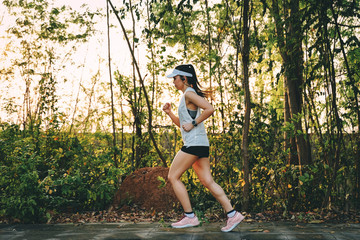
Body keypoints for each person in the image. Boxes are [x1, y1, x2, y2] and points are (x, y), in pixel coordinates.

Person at [162, 64, 245, 232]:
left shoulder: (190, 93)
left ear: (184, 79)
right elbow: (182, 124)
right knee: (208, 181)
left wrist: (193, 123)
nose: (173, 82)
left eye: (175, 78)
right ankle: (232, 214)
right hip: (200, 144)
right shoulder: (186, 96)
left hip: (193, 144)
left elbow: (210, 109)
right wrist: (170, 113)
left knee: (173, 176)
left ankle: (190, 216)